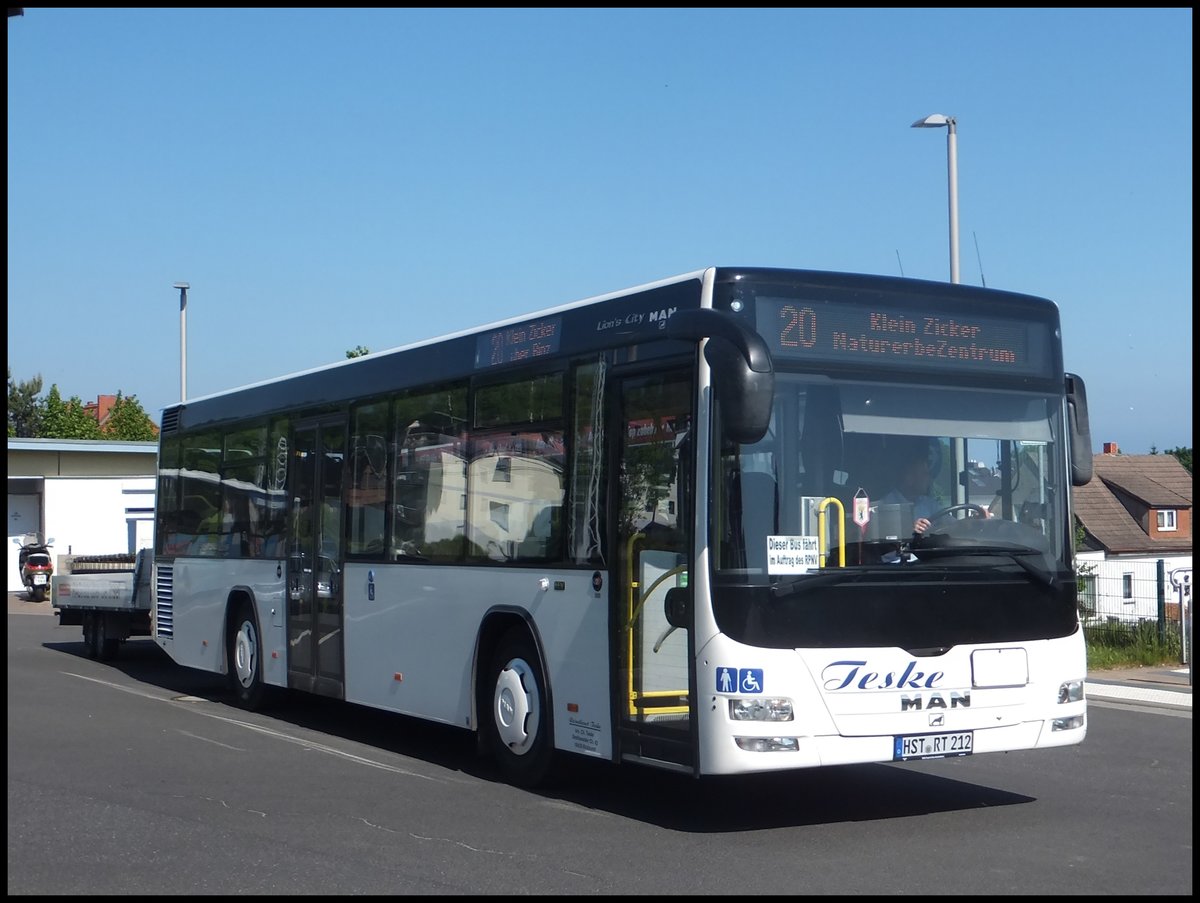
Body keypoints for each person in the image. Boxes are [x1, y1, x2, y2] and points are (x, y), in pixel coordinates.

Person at [880, 438, 940, 534]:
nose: (928, 478)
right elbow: (886, 535)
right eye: (924, 474)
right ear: (909, 477)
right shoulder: (886, 505)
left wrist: (967, 522)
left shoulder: (930, 504)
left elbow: (950, 523)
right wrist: (909, 529)